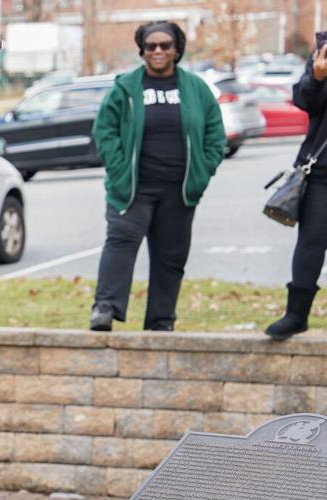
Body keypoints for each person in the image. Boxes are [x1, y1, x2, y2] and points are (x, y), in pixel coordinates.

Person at [89, 21, 225, 332]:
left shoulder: (196, 88)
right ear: (142, 51)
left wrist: (203, 172)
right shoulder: (126, 88)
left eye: (165, 45)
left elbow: (215, 134)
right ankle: (105, 308)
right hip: (133, 188)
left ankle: (161, 321)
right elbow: (105, 132)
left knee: (170, 257)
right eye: (151, 46)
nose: (158, 51)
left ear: (177, 49)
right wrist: (119, 169)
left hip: (179, 190)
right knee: (120, 243)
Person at [266, 35, 327, 340]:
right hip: (321, 171)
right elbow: (305, 102)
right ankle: (296, 315)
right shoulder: (323, 53)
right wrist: (317, 77)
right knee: (311, 243)